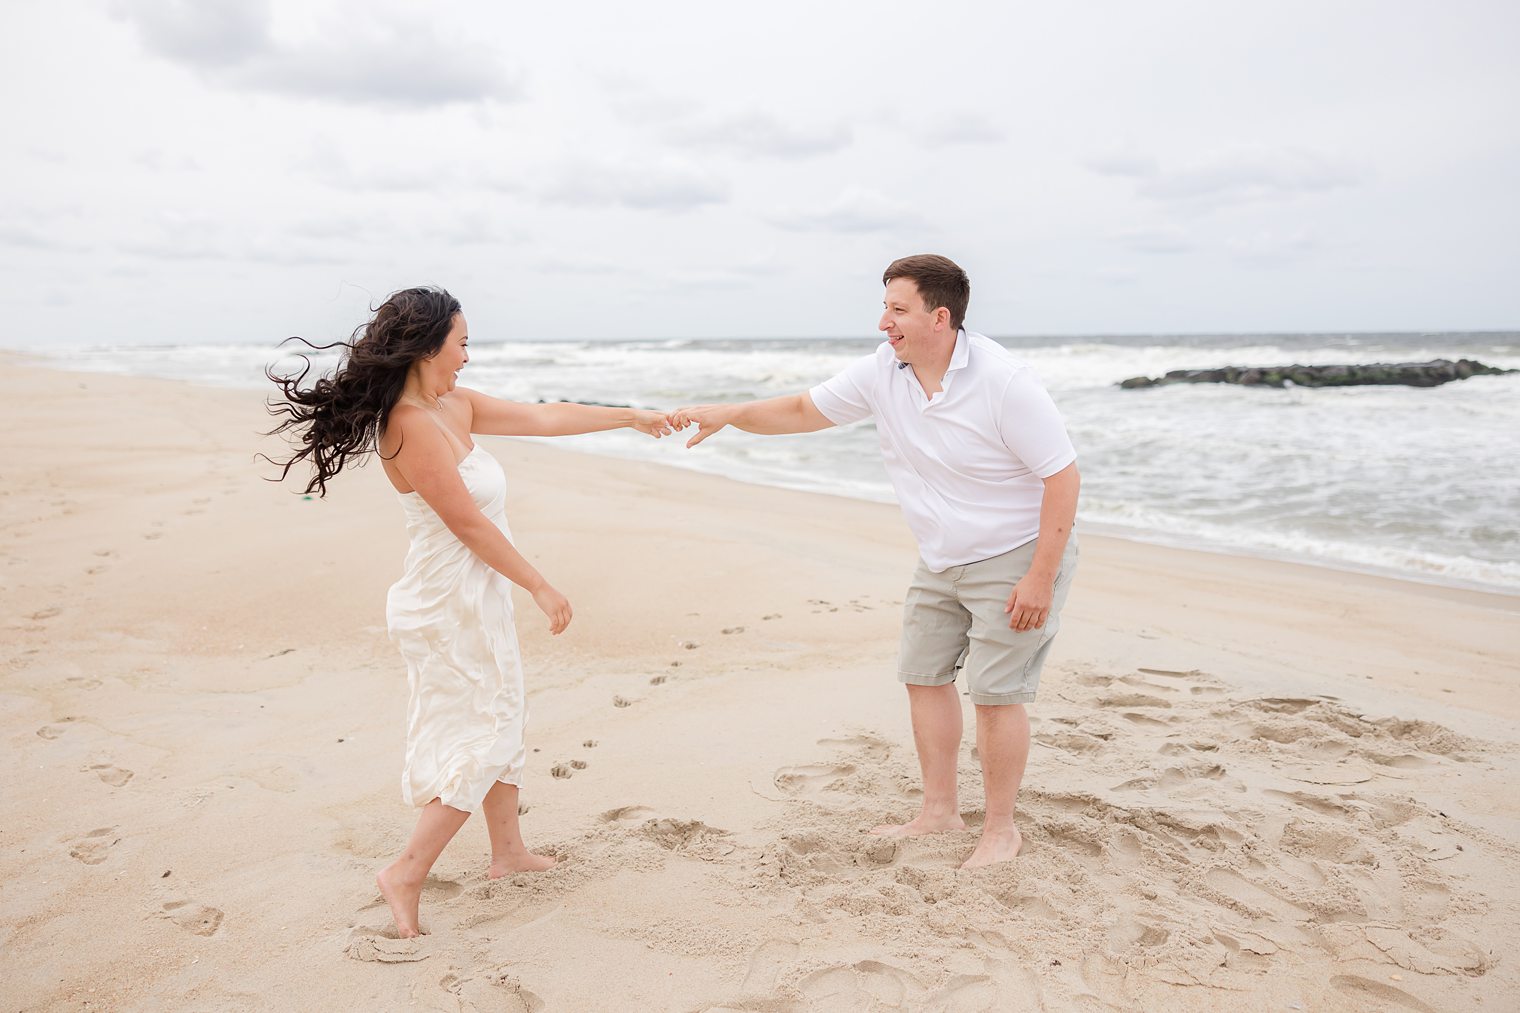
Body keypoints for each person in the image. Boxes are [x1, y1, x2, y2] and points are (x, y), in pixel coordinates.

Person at [265, 287, 673, 936]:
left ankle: (508, 852)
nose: (467, 356)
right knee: (486, 733)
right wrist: (540, 585)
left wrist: (631, 417)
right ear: (429, 346)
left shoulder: (454, 405)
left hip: (475, 597)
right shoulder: (409, 424)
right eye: (461, 343)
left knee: (502, 711)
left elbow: (544, 417)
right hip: (444, 603)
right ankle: (404, 870)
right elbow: (465, 523)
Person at [672, 255, 1079, 868]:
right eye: (884, 306)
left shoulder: (1004, 382)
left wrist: (1040, 578)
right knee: (923, 675)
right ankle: (939, 810)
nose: (883, 322)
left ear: (939, 317)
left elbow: (1062, 478)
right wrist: (730, 415)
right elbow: (804, 411)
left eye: (897, 309)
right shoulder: (884, 372)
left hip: (1015, 552)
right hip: (940, 556)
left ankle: (1000, 829)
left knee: (995, 695)